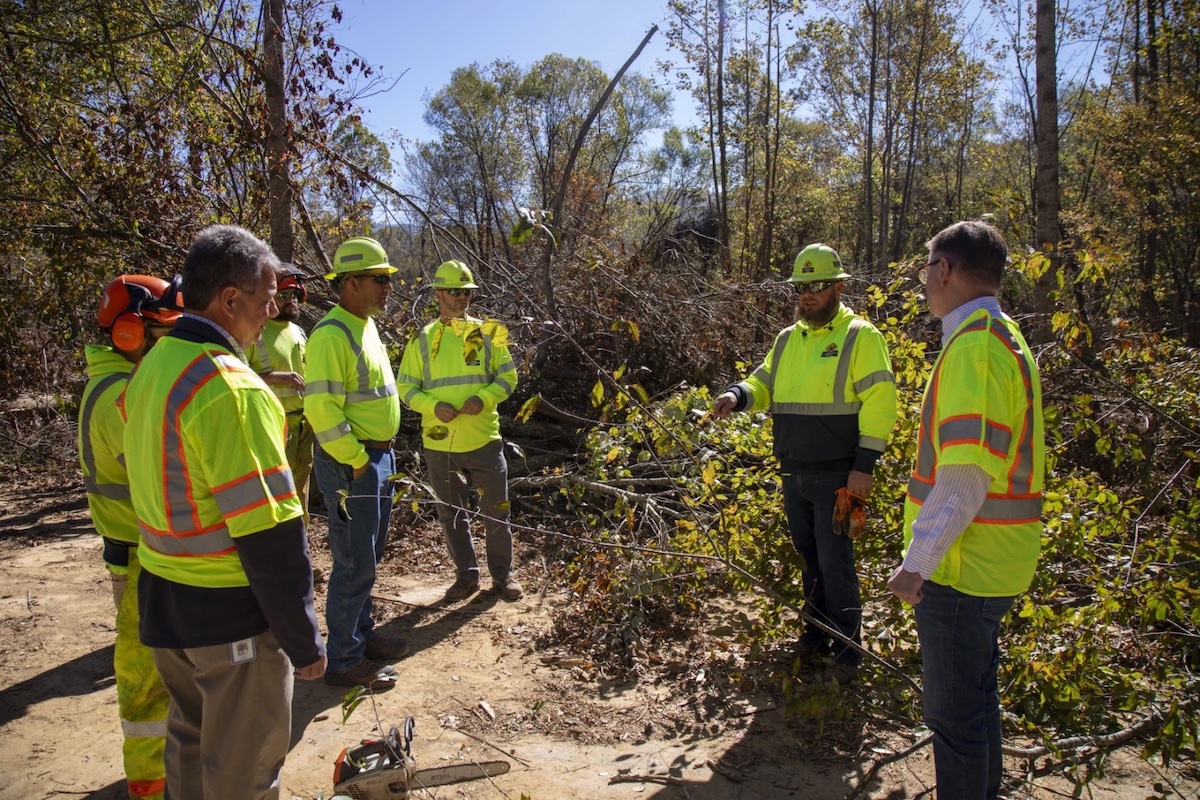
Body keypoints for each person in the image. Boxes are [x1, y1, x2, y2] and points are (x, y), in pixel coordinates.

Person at [121, 225, 326, 800]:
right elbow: (270, 534)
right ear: (229, 300)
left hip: (165, 600)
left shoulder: (156, 365)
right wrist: (303, 640)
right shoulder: (232, 390)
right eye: (265, 298)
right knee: (244, 776)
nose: (273, 310)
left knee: (189, 743)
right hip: (231, 617)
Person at [887, 221, 1044, 799]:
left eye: (927, 268)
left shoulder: (977, 347)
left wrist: (916, 564)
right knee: (977, 709)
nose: (925, 280)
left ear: (944, 269)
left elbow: (966, 475)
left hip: (962, 569)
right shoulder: (999, 337)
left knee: (954, 723)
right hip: (990, 562)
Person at [712, 243, 897, 684]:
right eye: (801, 287)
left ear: (837, 286)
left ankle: (849, 649)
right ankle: (815, 635)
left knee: (836, 564)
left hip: (838, 474)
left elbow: (881, 401)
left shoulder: (861, 336)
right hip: (793, 472)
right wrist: (737, 395)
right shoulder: (788, 338)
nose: (808, 295)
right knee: (810, 560)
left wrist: (864, 466)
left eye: (816, 286)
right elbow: (764, 381)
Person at [79, 274, 181, 800]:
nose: (167, 342)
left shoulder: (115, 383)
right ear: (127, 334)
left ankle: (167, 773)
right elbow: (162, 473)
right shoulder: (119, 394)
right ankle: (149, 784)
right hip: (141, 554)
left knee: (164, 676)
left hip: (139, 551)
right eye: (159, 332)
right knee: (146, 682)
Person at [305, 235, 407, 690]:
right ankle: (344, 660)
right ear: (350, 283)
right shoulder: (331, 334)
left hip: (377, 457)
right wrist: (358, 461)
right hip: (354, 463)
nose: (387, 287)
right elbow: (322, 410)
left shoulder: (365, 324)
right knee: (352, 560)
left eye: (387, 279)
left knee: (369, 555)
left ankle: (360, 637)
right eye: (378, 279)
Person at [397, 260, 521, 602]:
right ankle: (466, 576)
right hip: (440, 444)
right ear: (438, 294)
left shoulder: (489, 331)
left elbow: (509, 377)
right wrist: (431, 406)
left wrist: (484, 398)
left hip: (484, 438)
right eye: (454, 291)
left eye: (466, 291)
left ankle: (502, 575)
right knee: (451, 514)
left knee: (497, 511)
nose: (461, 297)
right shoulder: (422, 338)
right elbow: (405, 388)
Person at [246, 265, 314, 524]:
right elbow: (234, 379)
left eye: (295, 295)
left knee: (300, 492)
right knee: (274, 492)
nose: (291, 301)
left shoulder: (298, 332)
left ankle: (301, 553)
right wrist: (275, 377)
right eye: (285, 295)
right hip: (273, 423)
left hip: (304, 423)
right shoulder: (256, 332)